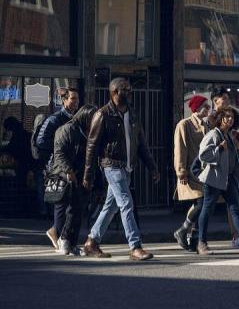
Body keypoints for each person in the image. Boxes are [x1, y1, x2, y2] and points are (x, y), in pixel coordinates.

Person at [82, 78, 159, 261]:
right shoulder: (102, 114)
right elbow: (91, 146)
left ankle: (91, 241)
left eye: (130, 88)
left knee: (111, 207)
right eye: (126, 89)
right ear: (115, 92)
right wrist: (88, 173)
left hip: (127, 167)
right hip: (111, 166)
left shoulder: (132, 114)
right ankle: (135, 246)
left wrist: (152, 167)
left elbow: (141, 143)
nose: (130, 91)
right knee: (126, 203)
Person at [197, 107, 239, 255]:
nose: (230, 119)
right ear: (220, 118)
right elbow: (203, 155)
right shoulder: (213, 134)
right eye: (226, 116)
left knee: (235, 208)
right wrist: (219, 149)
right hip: (214, 179)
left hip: (228, 180)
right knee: (207, 209)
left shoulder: (228, 136)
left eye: (232, 117)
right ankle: (201, 243)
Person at [50, 105, 97, 256]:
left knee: (78, 210)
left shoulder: (87, 132)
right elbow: (60, 153)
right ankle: (64, 239)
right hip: (67, 175)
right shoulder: (67, 129)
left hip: (81, 174)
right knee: (71, 209)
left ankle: (73, 242)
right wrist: (68, 171)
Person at [38, 87, 80, 249]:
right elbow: (41, 141)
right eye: (72, 99)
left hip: (71, 164)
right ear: (64, 100)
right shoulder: (55, 119)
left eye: (77, 99)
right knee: (61, 200)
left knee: (70, 202)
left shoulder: (75, 118)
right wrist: (58, 147)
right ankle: (57, 232)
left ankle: (59, 232)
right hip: (57, 165)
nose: (75, 102)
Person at [205, 87, 239, 248]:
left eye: (228, 100)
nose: (228, 103)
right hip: (212, 168)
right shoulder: (210, 120)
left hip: (229, 168)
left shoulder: (231, 118)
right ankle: (195, 235)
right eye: (225, 100)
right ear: (216, 101)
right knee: (204, 205)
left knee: (233, 204)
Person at [172, 95, 210, 252]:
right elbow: (180, 148)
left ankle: (194, 238)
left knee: (202, 204)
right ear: (197, 108)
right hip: (190, 172)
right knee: (202, 203)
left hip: (204, 173)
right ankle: (183, 229)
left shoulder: (207, 126)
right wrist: (181, 171)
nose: (208, 109)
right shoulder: (184, 124)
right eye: (206, 106)